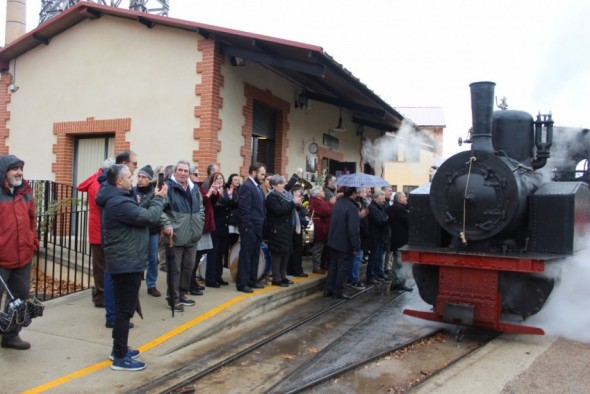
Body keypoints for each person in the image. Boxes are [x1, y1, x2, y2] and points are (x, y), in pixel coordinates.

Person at [96, 164, 167, 371]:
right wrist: (160, 199)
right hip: (126, 263)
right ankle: (120, 357)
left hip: (127, 261)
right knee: (124, 311)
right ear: (118, 181)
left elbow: (139, 212)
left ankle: (118, 349)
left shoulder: (118, 198)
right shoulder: (118, 201)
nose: (132, 179)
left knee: (123, 309)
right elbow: (148, 217)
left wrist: (154, 198)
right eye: (129, 176)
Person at [0, 155, 39, 350]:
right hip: (2, 257)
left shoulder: (25, 192)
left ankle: (10, 336)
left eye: (21, 169)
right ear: (4, 172)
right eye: (15, 169)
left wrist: (33, 241)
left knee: (19, 297)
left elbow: (32, 219)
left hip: (23, 255)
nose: (20, 173)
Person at [160, 160, 205, 312]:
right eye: (180, 170)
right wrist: (167, 224)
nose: (183, 173)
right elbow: (160, 209)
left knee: (189, 267)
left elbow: (201, 208)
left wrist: (200, 222)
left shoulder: (194, 188)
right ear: (175, 172)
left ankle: (183, 294)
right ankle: (173, 298)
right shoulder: (167, 187)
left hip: (192, 236)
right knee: (175, 270)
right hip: (176, 236)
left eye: (186, 171)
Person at [103, 151, 139, 329]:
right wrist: (157, 201)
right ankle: (114, 318)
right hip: (118, 249)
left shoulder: (121, 192)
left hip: (122, 247)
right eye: (134, 164)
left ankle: (117, 318)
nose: (135, 169)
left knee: (123, 300)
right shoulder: (115, 197)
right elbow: (141, 216)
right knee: (114, 283)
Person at [77, 157, 115, 308]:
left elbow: (81, 186)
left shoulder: (96, 179)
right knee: (101, 266)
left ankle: (102, 294)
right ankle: (100, 296)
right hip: (100, 228)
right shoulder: (99, 183)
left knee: (102, 264)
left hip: (99, 228)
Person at [265, 175, 301, 287]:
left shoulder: (285, 194)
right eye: (280, 184)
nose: (282, 185)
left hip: (287, 228)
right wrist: (292, 203)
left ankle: (283, 276)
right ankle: (276, 278)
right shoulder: (272, 197)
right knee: (277, 253)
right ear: (274, 185)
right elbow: (279, 210)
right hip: (277, 229)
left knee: (286, 253)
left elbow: (292, 208)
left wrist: (297, 203)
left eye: (282, 183)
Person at [236, 162, 266, 293]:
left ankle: (252, 280)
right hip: (250, 228)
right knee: (246, 255)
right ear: (253, 173)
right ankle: (242, 283)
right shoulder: (247, 186)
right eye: (262, 174)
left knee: (255, 255)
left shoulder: (258, 187)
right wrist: (248, 226)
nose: (263, 177)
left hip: (258, 227)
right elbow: (244, 209)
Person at [325, 186, 360, 299]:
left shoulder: (338, 203)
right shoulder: (351, 207)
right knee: (342, 267)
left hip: (333, 240)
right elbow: (353, 229)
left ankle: (329, 289)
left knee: (333, 266)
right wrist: (356, 245)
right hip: (344, 242)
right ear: (353, 193)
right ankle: (338, 291)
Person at [134, 165, 162, 297]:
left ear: (150, 180)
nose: (140, 179)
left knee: (152, 259)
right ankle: (135, 284)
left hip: (153, 231)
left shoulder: (155, 192)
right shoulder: (132, 192)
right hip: (138, 231)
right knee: (138, 259)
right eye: (139, 176)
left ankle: (151, 285)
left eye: (143, 177)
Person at [388, 191, 413, 292]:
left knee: (398, 262)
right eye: (404, 197)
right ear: (399, 199)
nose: (406, 199)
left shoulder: (394, 208)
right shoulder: (400, 209)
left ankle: (397, 283)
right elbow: (409, 221)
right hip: (401, 240)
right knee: (401, 262)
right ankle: (398, 283)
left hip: (396, 239)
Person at [366, 189, 390, 285]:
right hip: (375, 235)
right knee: (374, 256)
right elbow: (379, 221)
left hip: (381, 235)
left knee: (379, 256)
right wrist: (388, 219)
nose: (384, 200)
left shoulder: (381, 207)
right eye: (382, 198)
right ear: (376, 198)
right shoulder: (372, 208)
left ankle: (376, 273)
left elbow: (385, 216)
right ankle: (370, 275)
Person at [348, 187, 369, 288]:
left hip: (362, 234)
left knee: (356, 258)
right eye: (364, 191)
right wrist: (360, 216)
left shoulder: (362, 202)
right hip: (358, 234)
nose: (366, 193)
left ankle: (352, 278)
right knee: (356, 258)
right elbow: (355, 221)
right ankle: (354, 279)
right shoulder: (354, 204)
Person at [308, 186, 332, 274]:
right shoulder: (316, 201)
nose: (324, 192)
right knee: (318, 248)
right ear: (317, 193)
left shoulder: (319, 201)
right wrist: (331, 203)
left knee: (323, 248)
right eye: (322, 191)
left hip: (323, 227)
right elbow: (326, 210)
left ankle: (322, 265)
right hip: (320, 228)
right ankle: (316, 267)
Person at [287, 184, 309, 277]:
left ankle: (294, 269)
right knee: (296, 250)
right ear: (293, 192)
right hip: (294, 228)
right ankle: (296, 270)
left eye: (302, 192)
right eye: (300, 192)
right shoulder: (292, 200)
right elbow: (298, 215)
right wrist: (300, 206)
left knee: (296, 250)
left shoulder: (297, 201)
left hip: (296, 227)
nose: (301, 194)